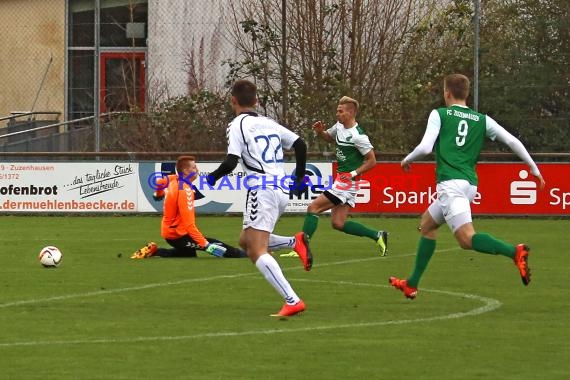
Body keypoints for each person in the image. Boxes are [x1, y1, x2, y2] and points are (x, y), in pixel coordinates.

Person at [389, 73, 546, 299]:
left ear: (447, 93)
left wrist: (407, 160)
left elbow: (425, 148)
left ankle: (515, 252)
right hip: (469, 185)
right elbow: (512, 140)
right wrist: (534, 168)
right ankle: (411, 284)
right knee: (427, 224)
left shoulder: (440, 114)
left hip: (451, 186)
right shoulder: (482, 120)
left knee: (466, 240)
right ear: (467, 93)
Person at [206, 79, 312, 317]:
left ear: (233, 100)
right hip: (280, 187)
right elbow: (301, 144)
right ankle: (294, 243)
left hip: (262, 189)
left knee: (256, 249)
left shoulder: (237, 126)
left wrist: (209, 180)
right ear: (256, 100)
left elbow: (231, 162)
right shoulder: (269, 123)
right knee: (245, 240)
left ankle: (292, 299)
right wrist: (299, 177)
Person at [301, 96, 389, 255]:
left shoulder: (358, 136)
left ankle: (301, 247)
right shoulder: (339, 127)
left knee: (313, 208)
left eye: (340, 111)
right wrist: (320, 132)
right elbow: (329, 137)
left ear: (350, 113)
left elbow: (372, 161)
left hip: (347, 183)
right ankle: (378, 235)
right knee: (338, 223)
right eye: (337, 111)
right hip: (342, 181)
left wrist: (353, 173)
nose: (337, 114)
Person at [131, 155, 246, 259]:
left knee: (188, 254)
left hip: (169, 232)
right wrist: (206, 245)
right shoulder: (185, 191)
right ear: (186, 171)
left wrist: (158, 194)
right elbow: (189, 225)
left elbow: (161, 181)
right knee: (217, 245)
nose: (197, 170)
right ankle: (242, 254)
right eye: (194, 167)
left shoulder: (174, 178)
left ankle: (155, 252)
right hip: (177, 235)